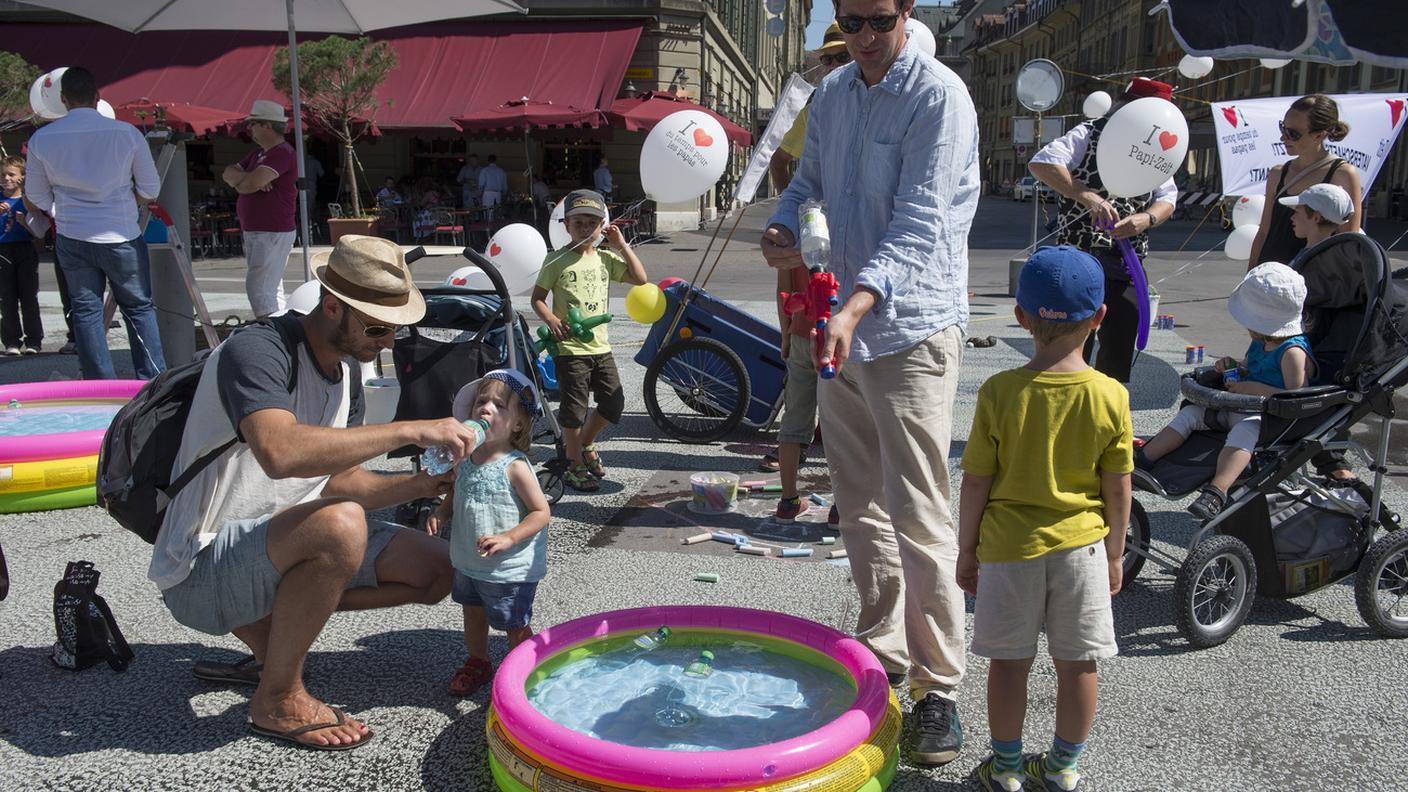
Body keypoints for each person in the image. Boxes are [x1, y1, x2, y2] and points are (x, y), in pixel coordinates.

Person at [150, 235, 479, 750]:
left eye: (394, 329)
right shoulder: (258, 349)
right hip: (202, 564)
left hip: (277, 545)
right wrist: (411, 429)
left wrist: (421, 484)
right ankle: (277, 697)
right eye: (376, 327)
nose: (388, 342)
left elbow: (338, 481)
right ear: (331, 307)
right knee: (340, 525)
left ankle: (271, 634)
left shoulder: (344, 373)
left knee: (439, 568)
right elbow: (280, 453)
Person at [759, 0, 979, 765]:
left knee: (919, 512)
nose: (862, 37)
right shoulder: (836, 92)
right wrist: (783, 228)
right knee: (858, 503)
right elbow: (807, 183)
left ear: (908, 11)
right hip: (839, 328)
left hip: (908, 329)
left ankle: (940, 689)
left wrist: (856, 303)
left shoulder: (938, 96)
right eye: (849, 21)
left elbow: (922, 225)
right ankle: (884, 643)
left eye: (877, 20)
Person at [959, 246, 1129, 792]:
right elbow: (1117, 484)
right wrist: (1117, 553)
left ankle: (1006, 769)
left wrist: (966, 548)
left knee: (1009, 663)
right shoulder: (1111, 396)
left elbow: (977, 480)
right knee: (1079, 664)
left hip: (1009, 549)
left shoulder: (1000, 392)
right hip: (1082, 549)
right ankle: (1062, 769)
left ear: (1020, 318)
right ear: (1100, 316)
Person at [1029, 77, 1178, 384]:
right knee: (1070, 342)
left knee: (1120, 341)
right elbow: (1043, 164)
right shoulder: (1090, 132)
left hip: (1125, 264)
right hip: (1077, 262)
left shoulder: (1160, 150)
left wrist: (1146, 219)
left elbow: (1168, 199)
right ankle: (1066, 402)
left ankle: (1108, 410)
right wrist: (1088, 197)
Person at [1139, 262, 1313, 521]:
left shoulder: (1292, 353)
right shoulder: (1260, 342)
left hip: (1267, 418)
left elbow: (1296, 396)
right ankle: (1145, 459)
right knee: (1191, 414)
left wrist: (1252, 389)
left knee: (1245, 432)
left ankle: (1217, 490)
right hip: (1239, 404)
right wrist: (1231, 367)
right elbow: (1247, 367)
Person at [24, 66, 166, 380]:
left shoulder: (42, 139)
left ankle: (99, 384)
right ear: (98, 96)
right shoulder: (126, 133)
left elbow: (34, 195)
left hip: (73, 233)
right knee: (139, 309)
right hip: (120, 232)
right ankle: (152, 379)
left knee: (86, 311)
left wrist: (61, 210)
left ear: (62, 99)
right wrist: (127, 202)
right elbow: (150, 189)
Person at [763, 21, 850, 524]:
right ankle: (822, 501)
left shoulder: (804, 216)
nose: (836, 67)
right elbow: (783, 281)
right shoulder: (832, 215)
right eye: (833, 58)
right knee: (828, 422)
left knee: (806, 420)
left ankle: (795, 498)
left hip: (814, 329)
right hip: (826, 330)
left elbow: (784, 285)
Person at [426, 370, 551, 696]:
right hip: (469, 561)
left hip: (508, 568)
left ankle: (526, 670)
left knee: (513, 622)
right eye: (481, 402)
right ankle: (478, 659)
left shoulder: (515, 465)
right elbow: (457, 492)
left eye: (499, 405)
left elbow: (541, 512)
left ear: (518, 425)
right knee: (473, 609)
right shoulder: (464, 461)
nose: (486, 409)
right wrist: (442, 511)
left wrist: (509, 537)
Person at [531, 189, 647, 493]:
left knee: (613, 402)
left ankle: (586, 443)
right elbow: (538, 299)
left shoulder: (606, 259)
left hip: (601, 346)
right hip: (570, 349)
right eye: (578, 222)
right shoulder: (555, 260)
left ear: (602, 226)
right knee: (574, 409)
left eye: (592, 223)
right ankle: (572, 463)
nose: (585, 229)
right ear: (566, 225)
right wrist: (552, 320)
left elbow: (640, 278)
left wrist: (621, 245)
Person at [1248, 94, 1362, 270]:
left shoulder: (1342, 174)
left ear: (1319, 135)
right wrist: (1250, 273)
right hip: (1268, 273)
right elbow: (1264, 231)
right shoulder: (1278, 173)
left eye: (1293, 133)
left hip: (1312, 279)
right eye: (1283, 128)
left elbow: (1349, 239)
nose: (1283, 138)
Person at [223, 100, 298, 319]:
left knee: (259, 287)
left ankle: (270, 332)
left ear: (266, 125)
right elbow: (229, 173)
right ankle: (279, 328)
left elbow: (246, 184)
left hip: (270, 229)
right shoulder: (259, 155)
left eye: (253, 123)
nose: (250, 128)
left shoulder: (281, 153)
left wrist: (244, 181)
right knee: (270, 287)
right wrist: (247, 179)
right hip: (261, 229)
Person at [768, 22, 849, 194]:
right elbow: (778, 162)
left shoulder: (881, 103)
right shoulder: (814, 111)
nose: (834, 65)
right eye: (828, 59)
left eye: (843, 57)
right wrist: (789, 209)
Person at [0, 156, 46, 355]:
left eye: (11, 174)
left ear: (22, 177)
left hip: (25, 249)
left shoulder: (28, 201)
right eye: (3, 175)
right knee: (6, 298)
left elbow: (38, 231)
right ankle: (11, 341)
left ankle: (34, 340)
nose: (6, 178)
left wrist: (24, 222)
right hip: (2, 250)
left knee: (29, 296)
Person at [478, 155, 508, 222]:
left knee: (488, 212)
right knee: (497, 212)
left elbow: (481, 184)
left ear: (488, 161)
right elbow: (504, 185)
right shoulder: (501, 171)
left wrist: (480, 194)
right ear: (495, 161)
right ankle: (497, 227)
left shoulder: (484, 170)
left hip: (487, 193)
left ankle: (489, 228)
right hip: (498, 193)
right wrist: (504, 194)